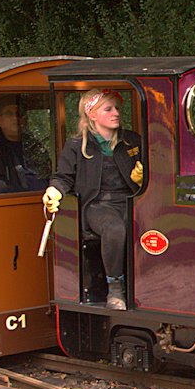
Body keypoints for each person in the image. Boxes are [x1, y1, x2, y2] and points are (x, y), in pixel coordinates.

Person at [43, 89, 143, 310]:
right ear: (92, 115)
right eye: (108, 109)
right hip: (97, 205)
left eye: (117, 108)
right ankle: (115, 286)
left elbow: (155, 167)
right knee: (115, 229)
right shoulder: (77, 146)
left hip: (132, 201)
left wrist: (144, 177)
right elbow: (63, 177)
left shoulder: (132, 140)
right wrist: (54, 191)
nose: (116, 113)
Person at [0, 97, 48, 194]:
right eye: (9, 113)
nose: (15, 118)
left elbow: (47, 174)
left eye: (19, 113)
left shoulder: (34, 145)